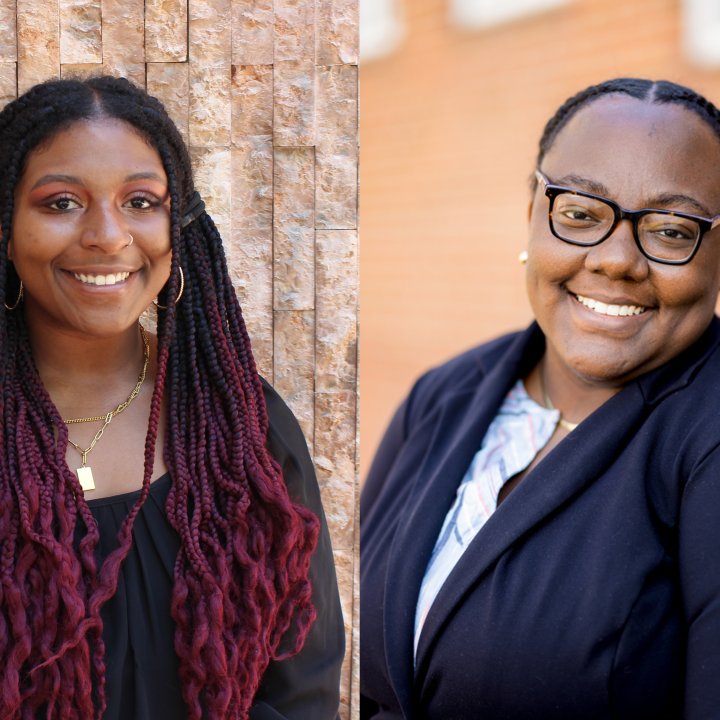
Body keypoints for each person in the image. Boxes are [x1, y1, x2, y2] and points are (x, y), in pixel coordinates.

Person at [360, 78, 720, 719]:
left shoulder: (707, 439)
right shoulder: (444, 392)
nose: (615, 261)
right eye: (580, 213)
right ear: (533, 210)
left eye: (670, 231)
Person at [0, 76, 344, 720]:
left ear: (178, 224)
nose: (107, 235)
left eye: (139, 201)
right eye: (61, 203)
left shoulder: (240, 426)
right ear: (6, 227)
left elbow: (305, 681)